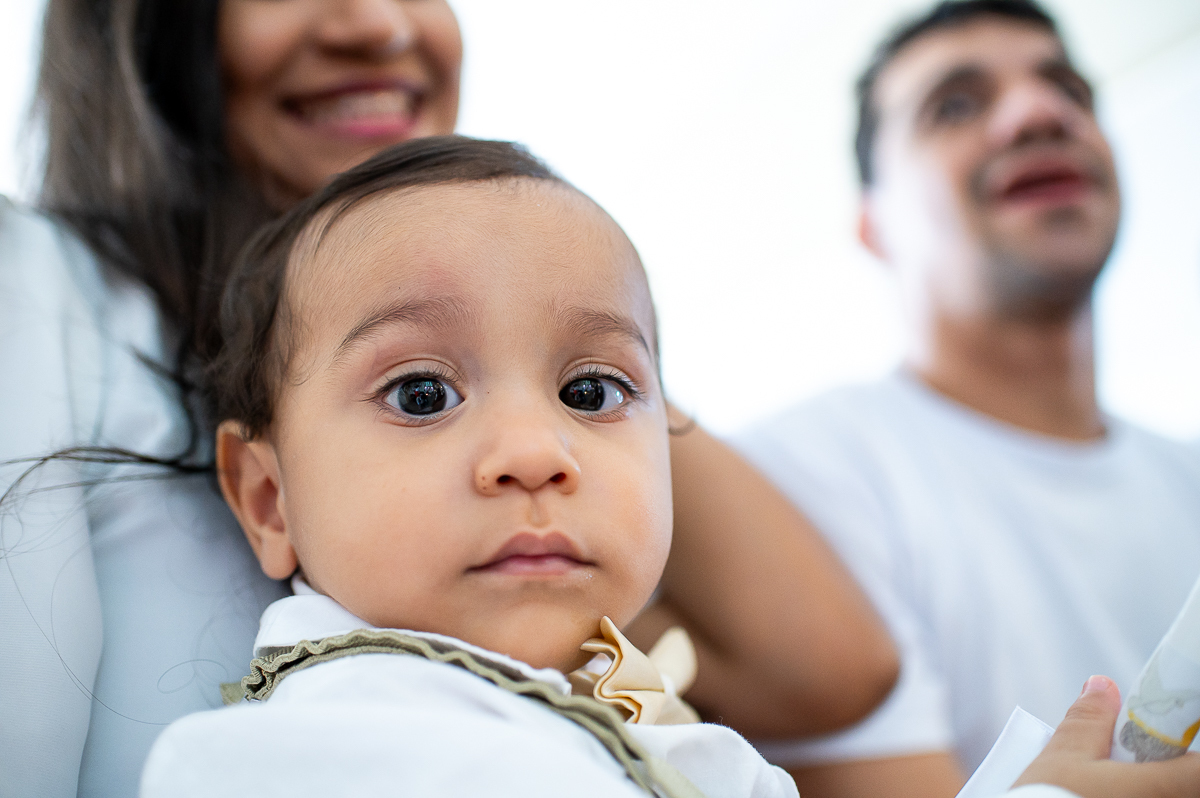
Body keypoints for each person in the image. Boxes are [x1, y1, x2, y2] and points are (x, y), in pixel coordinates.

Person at [1, 2, 895, 795]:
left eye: (588, 391)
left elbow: (832, 668)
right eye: (423, 394)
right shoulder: (34, 289)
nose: (380, 25)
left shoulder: (522, 552)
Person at [139, 135, 1186, 798]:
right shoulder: (317, 754)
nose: (533, 456)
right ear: (269, 500)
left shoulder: (597, 711)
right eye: (421, 394)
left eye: (592, 392)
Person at [731, 2, 1200, 797]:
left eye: (1068, 90)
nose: (1040, 112)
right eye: (955, 104)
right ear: (874, 225)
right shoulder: (797, 477)